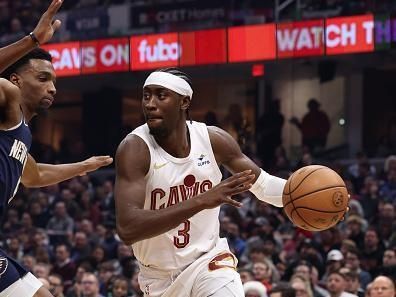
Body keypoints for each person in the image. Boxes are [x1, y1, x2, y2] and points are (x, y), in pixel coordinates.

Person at [114, 68, 287, 297]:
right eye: (146, 96)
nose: (150, 104)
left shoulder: (213, 140)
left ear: (184, 102)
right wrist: (201, 201)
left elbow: (263, 185)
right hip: (158, 278)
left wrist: (300, 194)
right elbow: (127, 228)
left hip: (209, 261)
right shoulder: (135, 148)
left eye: (161, 95)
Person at [0, 1, 113, 297]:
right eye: (42, 78)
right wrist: (33, 40)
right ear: (14, 80)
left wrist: (84, 166)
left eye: (53, 81)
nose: (52, 88)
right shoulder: (7, 97)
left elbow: (34, 175)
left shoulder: (20, 132)